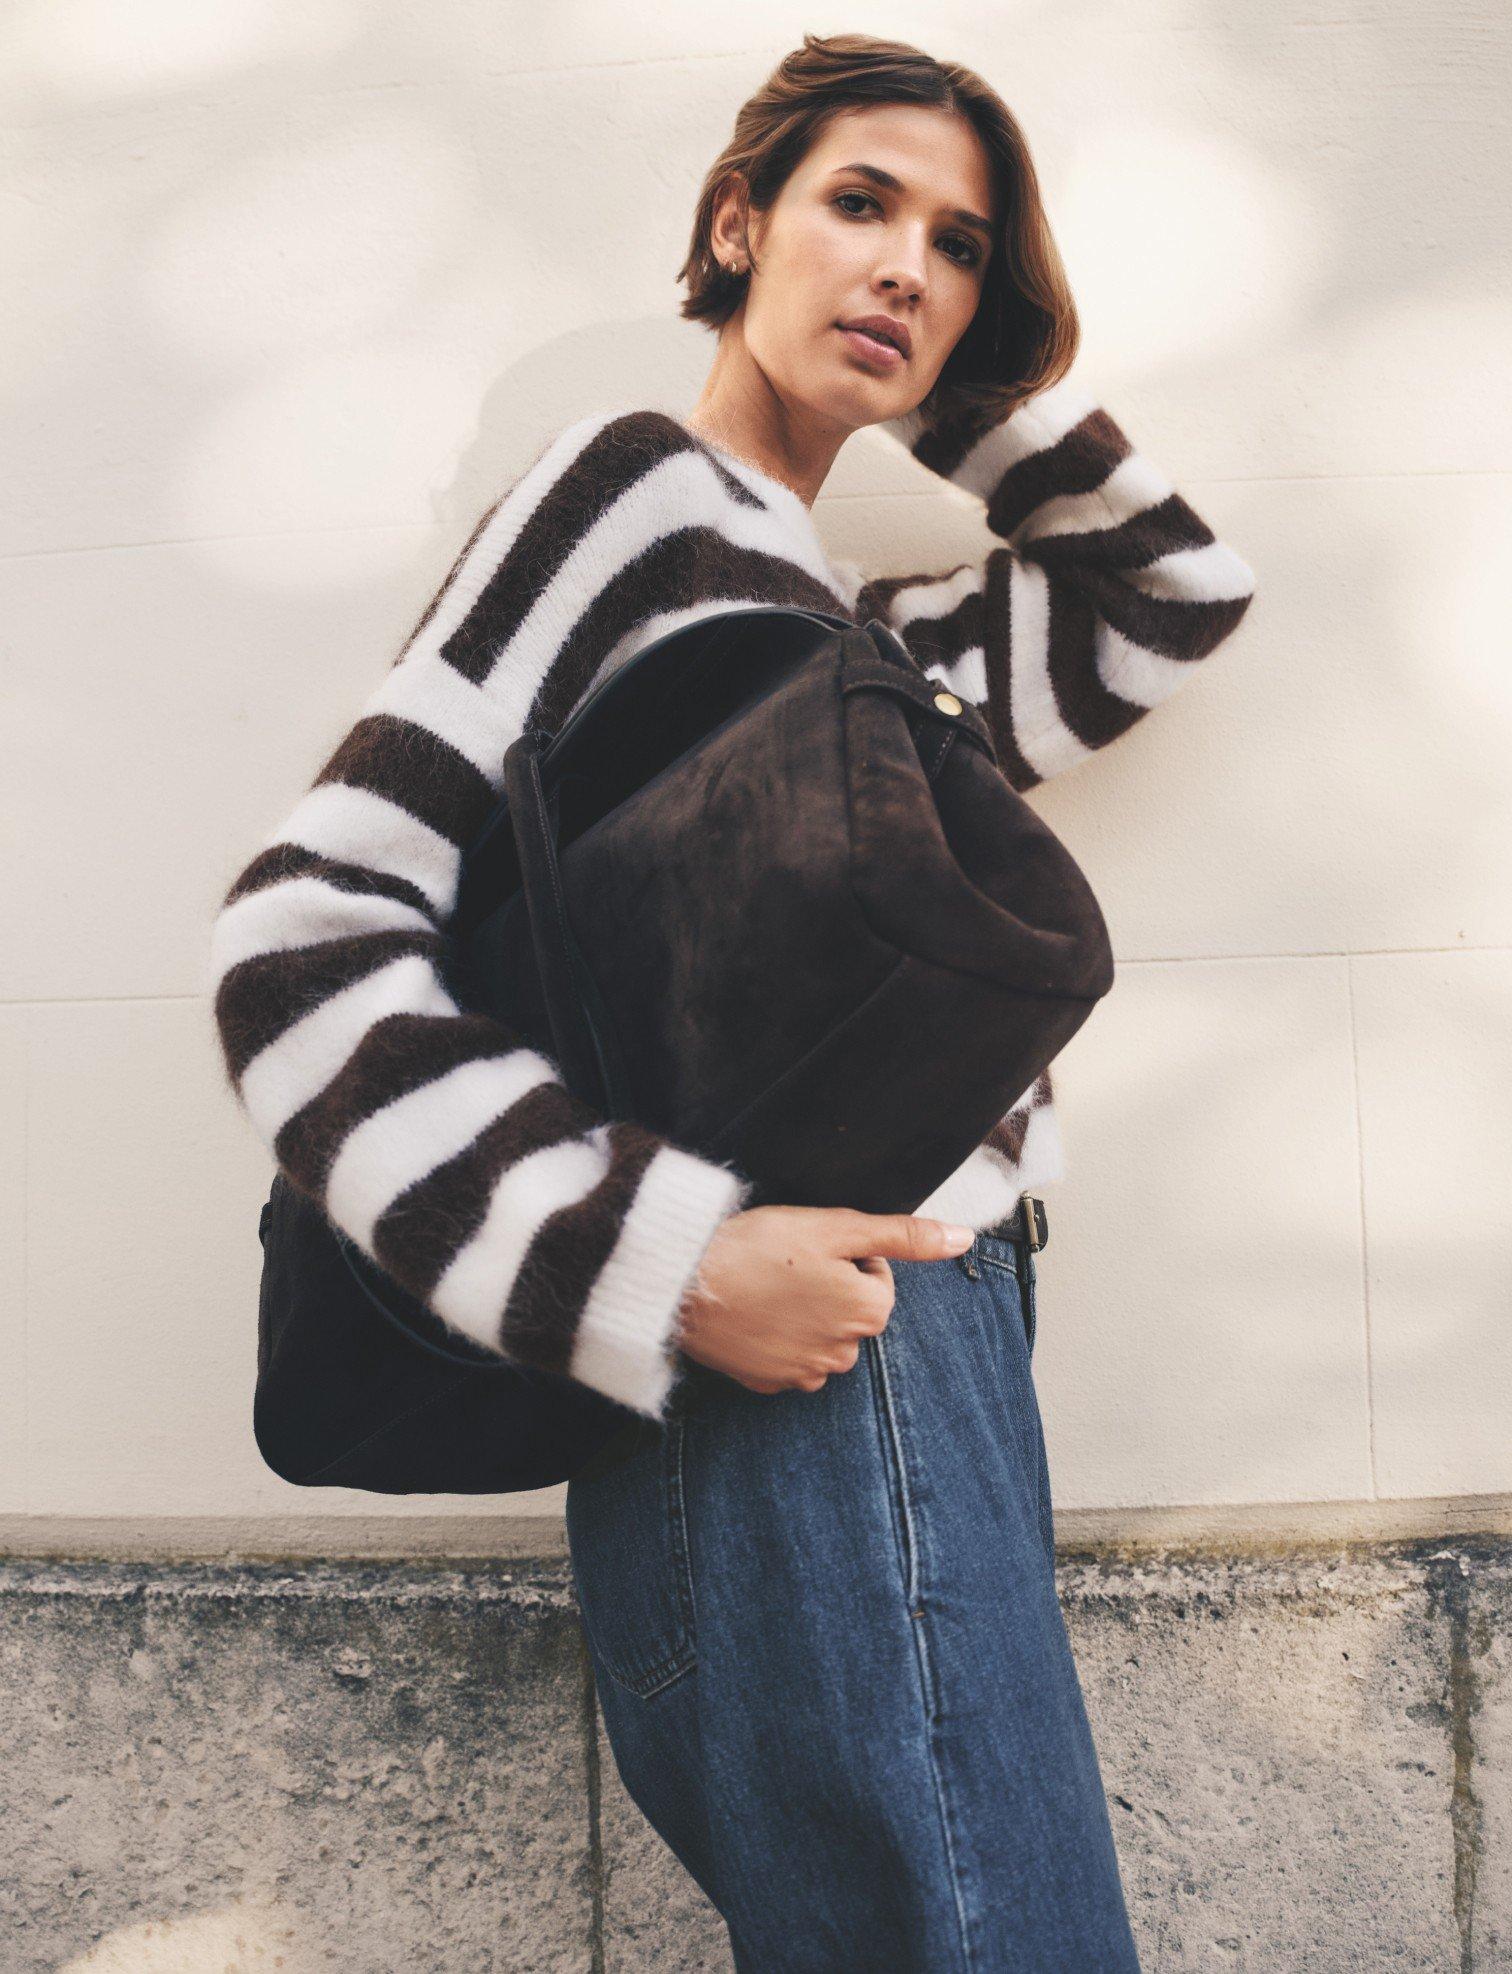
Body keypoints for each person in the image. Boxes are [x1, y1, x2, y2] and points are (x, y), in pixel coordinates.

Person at [208, 30, 1255, 1970]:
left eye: (956, 246)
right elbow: (301, 938)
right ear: (734, 217)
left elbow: (1170, 594)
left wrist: (964, 363)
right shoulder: (638, 503)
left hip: (920, 1362)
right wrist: (668, 1264)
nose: (906, 269)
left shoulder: (833, 634)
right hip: (811, 1378)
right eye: (861, 204)